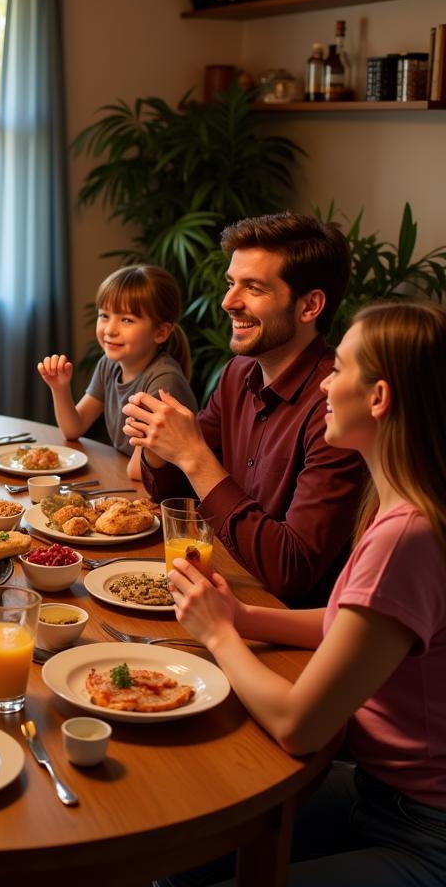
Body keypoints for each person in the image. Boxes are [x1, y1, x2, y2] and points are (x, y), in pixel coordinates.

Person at [163, 301, 446, 887]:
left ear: (379, 398)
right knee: (178, 859)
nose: (324, 382)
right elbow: (350, 627)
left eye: (339, 369)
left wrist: (218, 634)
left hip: (424, 830)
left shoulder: (407, 536)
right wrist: (243, 616)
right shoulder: (402, 505)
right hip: (377, 791)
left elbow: (299, 725)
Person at [123, 213, 368, 606]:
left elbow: (291, 571)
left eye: (253, 288)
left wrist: (193, 455)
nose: (228, 302)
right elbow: (177, 490)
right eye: (231, 283)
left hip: (290, 632)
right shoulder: (238, 373)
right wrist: (158, 441)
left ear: (310, 306)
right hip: (223, 588)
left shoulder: (337, 407)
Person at [37, 265, 197, 481]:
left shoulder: (163, 382)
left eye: (127, 320)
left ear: (160, 332)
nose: (110, 329)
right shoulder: (108, 365)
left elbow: (139, 470)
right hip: (132, 479)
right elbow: (73, 429)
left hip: (168, 494)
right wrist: (60, 387)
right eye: (104, 315)